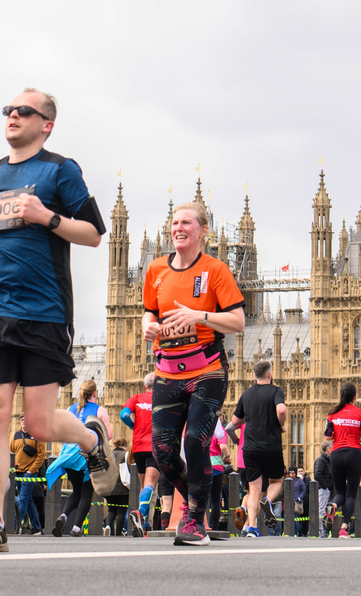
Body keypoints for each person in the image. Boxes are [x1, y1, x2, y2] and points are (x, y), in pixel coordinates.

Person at [0, 90, 111, 553]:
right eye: (9, 111)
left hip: (45, 310)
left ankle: (88, 436)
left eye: (24, 111)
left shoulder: (61, 170)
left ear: (47, 124)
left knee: (38, 425)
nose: (13, 116)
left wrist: (48, 216)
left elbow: (95, 234)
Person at [141, 208, 245, 549]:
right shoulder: (156, 269)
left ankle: (194, 519)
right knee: (163, 451)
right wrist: (147, 326)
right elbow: (149, 311)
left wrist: (198, 315)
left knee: (195, 443)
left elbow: (238, 321)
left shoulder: (215, 270)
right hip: (167, 371)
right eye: (174, 222)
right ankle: (199, 502)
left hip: (208, 371)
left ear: (203, 231)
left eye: (186, 222)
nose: (179, 227)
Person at [49, 380, 115, 537]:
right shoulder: (100, 410)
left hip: (69, 455)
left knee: (75, 491)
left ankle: (63, 516)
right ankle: (76, 528)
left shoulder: (71, 409)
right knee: (86, 494)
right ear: (95, 394)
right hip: (86, 456)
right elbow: (109, 435)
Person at [231, 360, 287, 539]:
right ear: (269, 374)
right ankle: (267, 501)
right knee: (276, 481)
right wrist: (282, 425)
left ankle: (251, 527)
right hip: (271, 446)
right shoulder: (276, 391)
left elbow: (234, 422)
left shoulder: (246, 394)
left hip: (250, 449)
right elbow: (282, 410)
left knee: (253, 489)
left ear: (254, 375)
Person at [322, 381, 361, 539]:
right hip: (353, 453)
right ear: (355, 397)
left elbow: (327, 436)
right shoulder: (360, 413)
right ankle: (344, 529)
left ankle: (333, 505)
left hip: (336, 454)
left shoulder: (332, 414)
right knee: (351, 494)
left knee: (340, 493)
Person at [122, 373, 157, 532]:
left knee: (143, 486)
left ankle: (146, 525)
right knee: (151, 484)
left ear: (145, 386)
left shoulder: (136, 398)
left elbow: (124, 415)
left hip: (138, 447)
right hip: (154, 446)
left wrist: (132, 425)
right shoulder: (160, 399)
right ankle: (140, 513)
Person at [11, 416, 46, 534]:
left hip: (29, 473)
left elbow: (42, 455)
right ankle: (36, 527)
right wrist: (14, 465)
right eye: (21, 420)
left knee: (23, 498)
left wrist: (32, 470)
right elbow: (11, 452)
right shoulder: (16, 435)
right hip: (18, 472)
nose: (23, 422)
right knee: (28, 500)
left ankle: (14, 527)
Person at [105, 437, 131, 535]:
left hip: (109, 487)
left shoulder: (108, 455)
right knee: (121, 511)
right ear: (124, 445)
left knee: (111, 510)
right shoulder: (126, 455)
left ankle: (108, 526)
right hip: (123, 488)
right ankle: (118, 532)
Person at [314, 442, 333, 538]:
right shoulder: (321, 460)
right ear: (328, 449)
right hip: (323, 489)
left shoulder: (327, 460)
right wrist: (325, 485)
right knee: (322, 510)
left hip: (328, 488)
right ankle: (322, 531)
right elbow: (317, 474)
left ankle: (325, 530)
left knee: (327, 510)